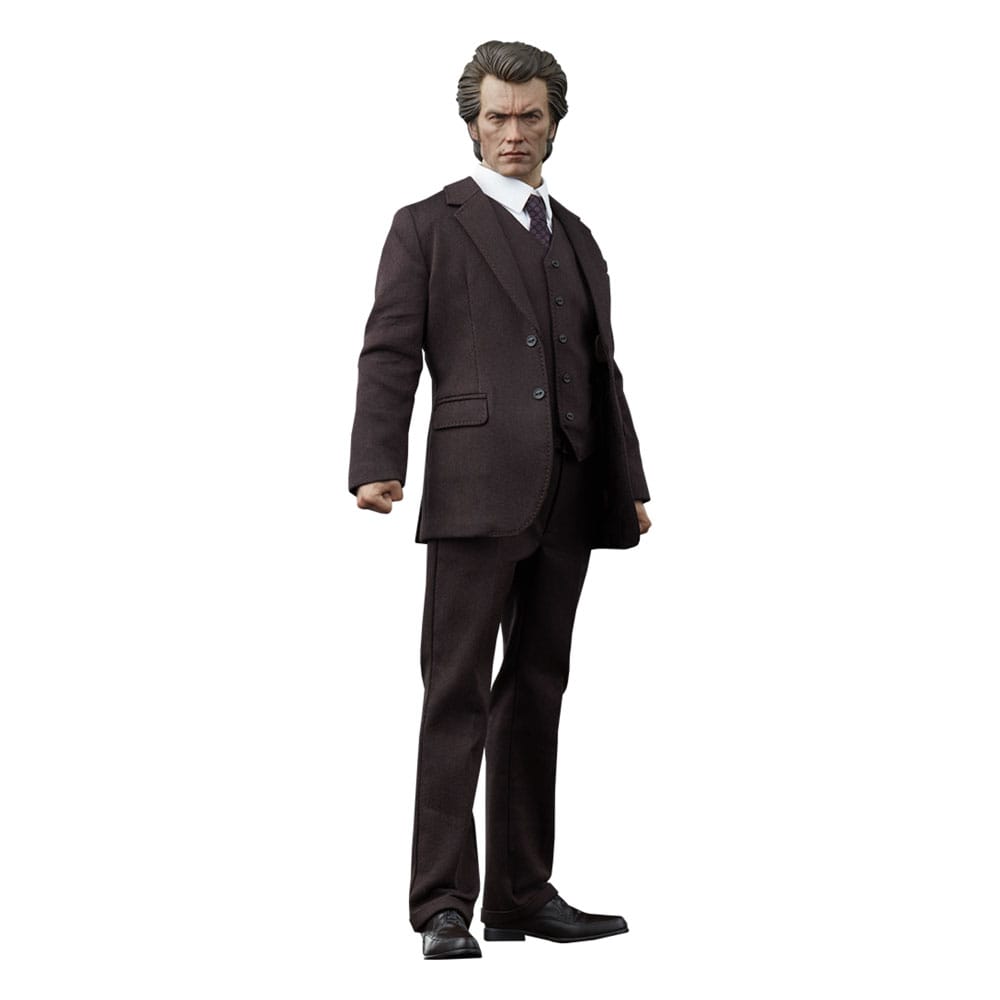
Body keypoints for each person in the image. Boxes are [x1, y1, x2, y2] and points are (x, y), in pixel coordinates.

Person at [349, 40, 651, 959]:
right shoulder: (426, 226)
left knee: (538, 689)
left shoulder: (580, 237)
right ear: (472, 126)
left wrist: (630, 482)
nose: (512, 132)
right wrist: (376, 459)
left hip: (573, 489)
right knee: (457, 694)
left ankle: (522, 894)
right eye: (496, 118)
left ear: (554, 124)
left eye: (529, 117)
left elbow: (602, 370)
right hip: (475, 488)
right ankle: (443, 902)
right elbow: (389, 349)